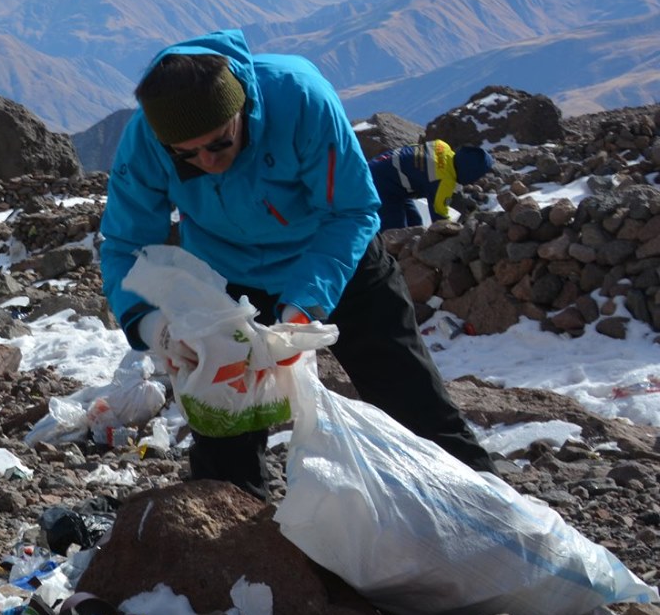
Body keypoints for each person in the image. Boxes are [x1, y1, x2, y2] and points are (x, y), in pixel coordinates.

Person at [99, 30, 491, 497]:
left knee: (413, 404)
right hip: (228, 280)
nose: (207, 162)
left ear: (241, 109)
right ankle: (239, 531)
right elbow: (124, 244)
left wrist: (304, 305)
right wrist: (155, 327)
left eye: (220, 144)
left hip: (333, 260)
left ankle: (489, 510)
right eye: (186, 155)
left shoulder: (300, 99)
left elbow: (352, 210)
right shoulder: (147, 137)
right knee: (225, 437)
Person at [369, 139, 493, 231]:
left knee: (415, 223)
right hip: (382, 184)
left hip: (381, 166)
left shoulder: (442, 147)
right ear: (470, 172)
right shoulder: (443, 180)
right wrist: (454, 230)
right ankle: (388, 254)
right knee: (394, 228)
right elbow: (440, 217)